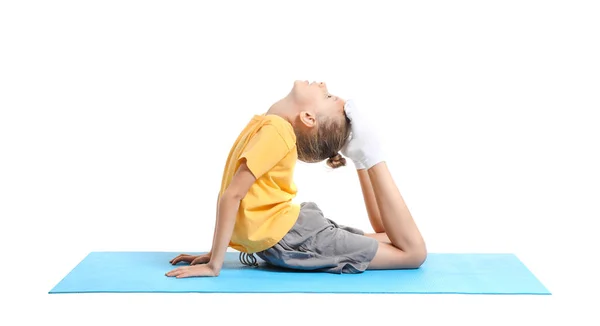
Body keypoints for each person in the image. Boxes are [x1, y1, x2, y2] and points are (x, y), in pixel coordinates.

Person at [166, 80, 427, 278]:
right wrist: (215, 253)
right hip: (294, 233)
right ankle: (364, 158)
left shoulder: (276, 131)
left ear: (308, 117)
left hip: (297, 236)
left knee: (413, 253)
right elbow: (232, 195)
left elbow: (233, 196)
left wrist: (215, 264)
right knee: (393, 239)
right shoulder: (268, 126)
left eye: (326, 95)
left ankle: (368, 157)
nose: (323, 84)